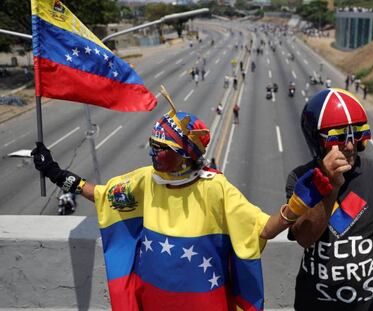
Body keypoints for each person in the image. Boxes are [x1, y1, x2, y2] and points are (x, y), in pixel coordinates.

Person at [31, 92, 331, 310]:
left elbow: (264, 229)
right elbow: (102, 194)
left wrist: (298, 205)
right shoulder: (146, 180)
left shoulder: (216, 189)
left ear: (187, 154)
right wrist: (57, 173)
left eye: (163, 150)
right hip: (153, 302)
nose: (153, 154)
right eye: (153, 145)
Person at [286, 88, 373, 311]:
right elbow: (304, 237)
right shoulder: (300, 179)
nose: (348, 145)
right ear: (317, 140)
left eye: (356, 134)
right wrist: (330, 184)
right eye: (337, 137)